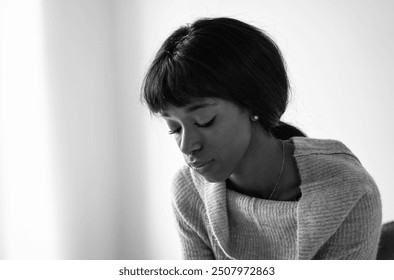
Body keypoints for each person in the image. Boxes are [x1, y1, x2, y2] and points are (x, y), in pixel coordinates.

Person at [141, 17, 382, 259]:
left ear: (254, 104)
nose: (187, 145)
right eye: (174, 128)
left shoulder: (348, 191)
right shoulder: (190, 191)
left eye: (205, 120)